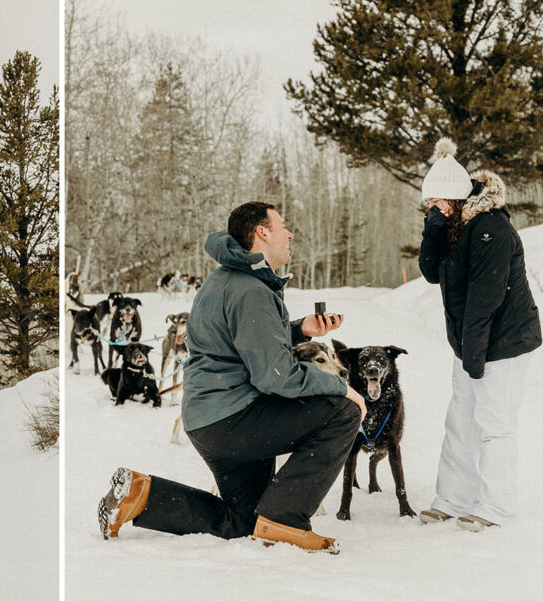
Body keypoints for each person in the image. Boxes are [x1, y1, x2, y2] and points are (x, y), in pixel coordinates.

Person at [98, 201, 367, 553]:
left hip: (212, 420)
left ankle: (141, 495)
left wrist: (299, 329)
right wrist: (342, 388)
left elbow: (241, 343)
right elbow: (276, 376)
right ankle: (286, 519)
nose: (289, 233)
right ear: (262, 233)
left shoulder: (228, 279)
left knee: (244, 521)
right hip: (235, 417)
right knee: (342, 411)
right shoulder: (251, 290)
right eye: (283, 226)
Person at [417, 137, 541, 532]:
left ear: (456, 199)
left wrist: (474, 359)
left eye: (439, 205)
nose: (434, 210)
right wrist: (433, 229)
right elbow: (431, 272)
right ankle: (453, 498)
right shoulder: (453, 225)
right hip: (472, 342)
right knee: (460, 420)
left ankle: (496, 507)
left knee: (493, 423)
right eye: (429, 205)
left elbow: (485, 301)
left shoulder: (490, 230)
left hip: (504, 343)